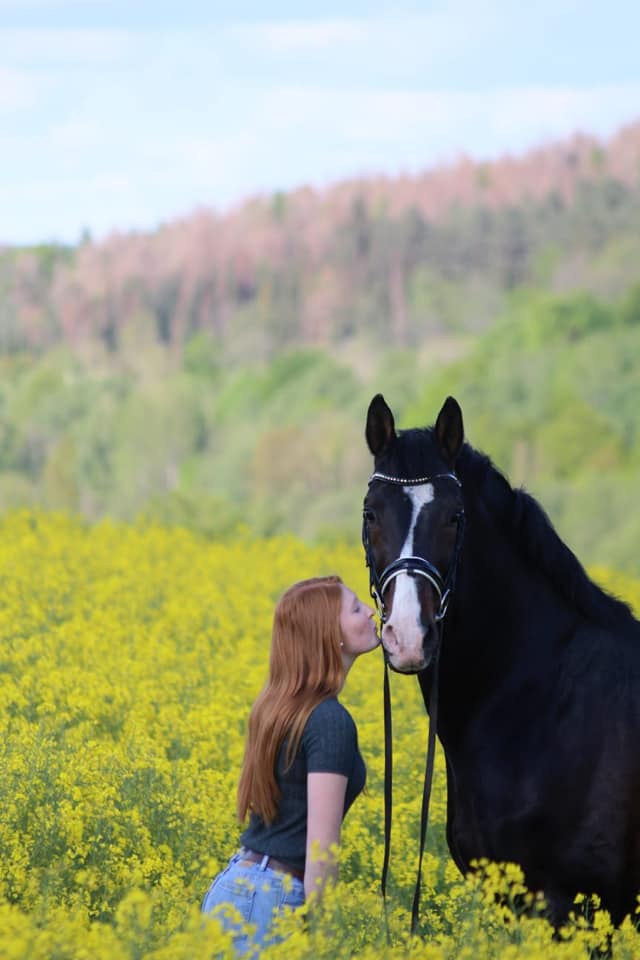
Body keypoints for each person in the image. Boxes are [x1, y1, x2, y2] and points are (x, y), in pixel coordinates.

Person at [201, 575, 379, 955]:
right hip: (272, 903)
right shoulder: (330, 720)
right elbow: (321, 850)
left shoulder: (279, 706)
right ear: (330, 636)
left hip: (237, 888)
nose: (371, 611)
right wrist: (323, 938)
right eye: (355, 608)